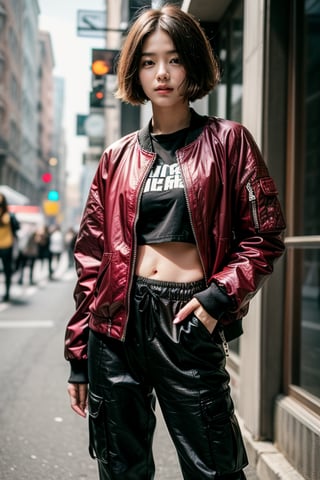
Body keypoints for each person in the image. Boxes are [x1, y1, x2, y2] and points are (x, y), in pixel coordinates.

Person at [64, 5, 286, 480]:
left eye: (173, 59)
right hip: (116, 326)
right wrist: (80, 357)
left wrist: (216, 298)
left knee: (214, 467)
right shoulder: (115, 158)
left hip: (188, 318)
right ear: (134, 71)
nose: (161, 73)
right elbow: (90, 261)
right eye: (147, 61)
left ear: (193, 63)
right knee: (120, 468)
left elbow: (264, 235)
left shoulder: (229, 142)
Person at [0, 193, 19, 302]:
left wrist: (11, 220)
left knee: (7, 270)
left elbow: (17, 227)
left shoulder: (9, 216)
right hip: (5, 245)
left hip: (7, 246)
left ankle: (7, 293)